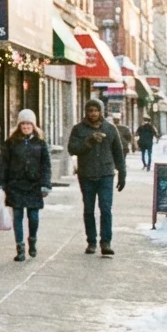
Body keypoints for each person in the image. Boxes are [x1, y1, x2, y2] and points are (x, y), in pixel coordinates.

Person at [67, 101, 126, 257]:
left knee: (105, 209)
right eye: (90, 110)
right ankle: (91, 242)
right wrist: (89, 141)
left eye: (96, 110)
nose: (93, 113)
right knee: (89, 209)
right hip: (86, 174)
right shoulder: (78, 129)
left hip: (106, 173)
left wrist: (122, 173)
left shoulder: (110, 128)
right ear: (86, 112)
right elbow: (72, 149)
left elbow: (118, 152)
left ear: (101, 112)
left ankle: (106, 242)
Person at [0, 109, 52, 262]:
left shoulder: (40, 143)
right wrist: (2, 184)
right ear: (19, 125)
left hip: (34, 185)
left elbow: (46, 166)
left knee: (33, 216)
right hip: (16, 184)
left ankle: (32, 241)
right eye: (23, 123)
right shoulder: (11, 143)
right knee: (18, 216)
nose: (26, 126)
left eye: (29, 123)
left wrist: (45, 184)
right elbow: (4, 164)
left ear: (34, 125)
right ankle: (20, 248)